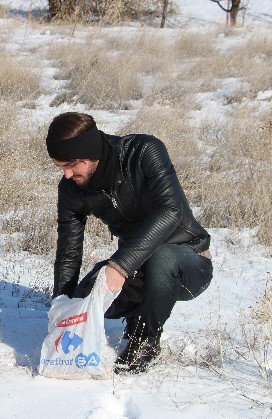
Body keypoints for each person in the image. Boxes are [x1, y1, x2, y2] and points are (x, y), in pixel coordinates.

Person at [47, 112, 213, 374]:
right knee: (84, 297)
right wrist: (61, 304)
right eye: (60, 166)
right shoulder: (70, 190)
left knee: (163, 257)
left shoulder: (143, 151)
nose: (66, 174)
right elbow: (69, 251)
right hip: (138, 267)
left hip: (189, 262)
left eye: (71, 165)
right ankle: (137, 312)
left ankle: (145, 339)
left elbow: (171, 212)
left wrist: (120, 266)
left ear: (90, 156)